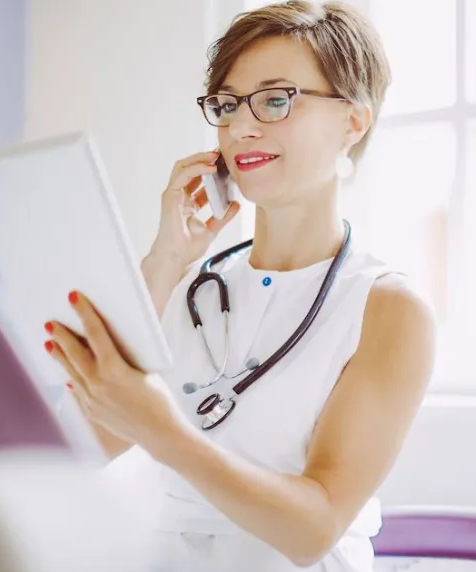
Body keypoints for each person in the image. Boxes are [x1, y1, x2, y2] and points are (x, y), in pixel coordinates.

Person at [39, 1, 436, 570]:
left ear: (352, 121)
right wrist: (167, 258)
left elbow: (312, 527)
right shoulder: (191, 286)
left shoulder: (389, 309)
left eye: (276, 100)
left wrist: (164, 432)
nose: (240, 127)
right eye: (226, 105)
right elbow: (71, 451)